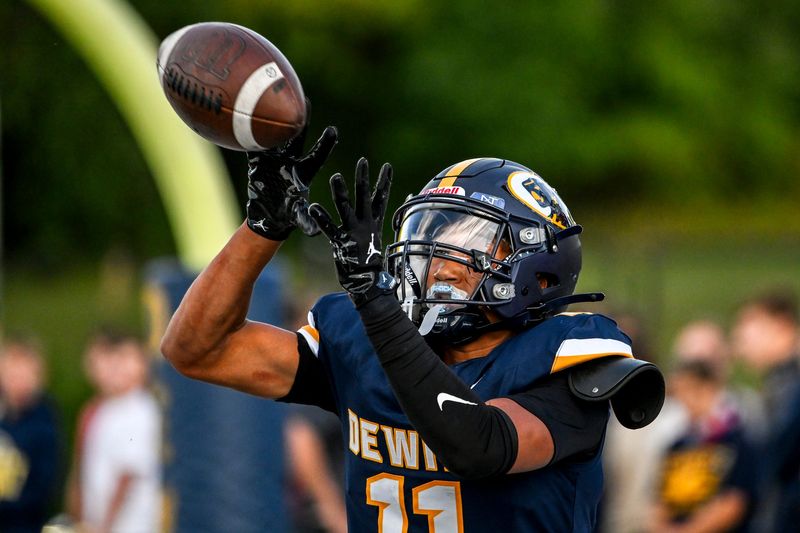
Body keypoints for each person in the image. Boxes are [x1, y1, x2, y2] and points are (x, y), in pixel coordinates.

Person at [161, 125, 665, 531]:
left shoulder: (568, 354)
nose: (438, 263)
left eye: (471, 243)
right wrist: (262, 226)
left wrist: (376, 305)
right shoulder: (362, 339)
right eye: (431, 236)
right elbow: (196, 349)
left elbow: (478, 444)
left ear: (539, 268)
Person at [66, 330, 161, 533]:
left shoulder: (141, 408)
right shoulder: (104, 410)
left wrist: (105, 527)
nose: (119, 367)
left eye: (128, 358)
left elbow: (127, 474)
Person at [650, 359, 755, 533]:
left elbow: (734, 503)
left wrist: (688, 530)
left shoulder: (736, 441)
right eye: (679, 393)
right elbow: (658, 501)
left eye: (691, 390)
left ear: (710, 388)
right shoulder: (677, 444)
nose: (684, 401)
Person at [732, 290, 800, 532]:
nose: (739, 335)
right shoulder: (778, 386)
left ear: (782, 325)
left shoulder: (791, 389)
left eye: (749, 323)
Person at [0, 336, 61, 533]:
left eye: (23, 374)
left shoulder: (45, 422)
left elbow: (43, 487)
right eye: (11, 374)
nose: (17, 381)